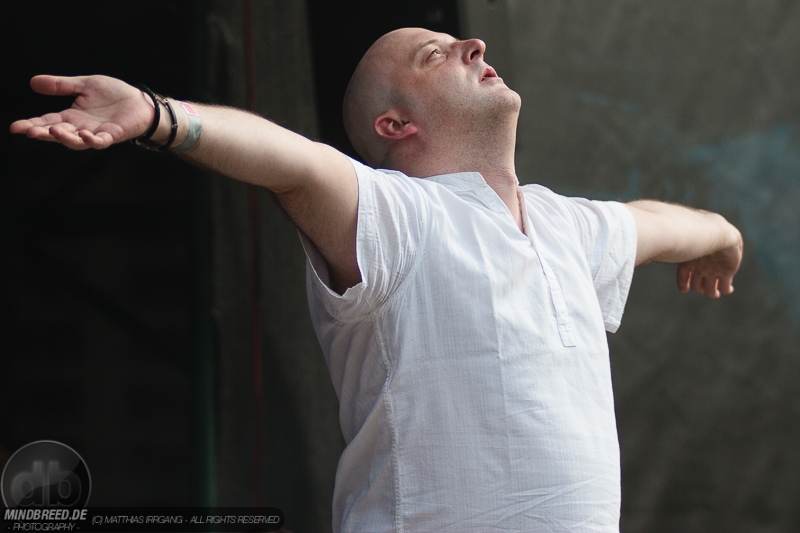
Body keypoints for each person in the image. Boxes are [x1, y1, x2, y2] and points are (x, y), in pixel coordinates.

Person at [11, 27, 742, 532]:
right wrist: (157, 115)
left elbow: (656, 223)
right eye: (436, 54)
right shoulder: (401, 215)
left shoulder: (568, 226)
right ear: (394, 125)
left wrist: (723, 234)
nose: (474, 46)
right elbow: (295, 162)